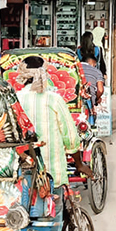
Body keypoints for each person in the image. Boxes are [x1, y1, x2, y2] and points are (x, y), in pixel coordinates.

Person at [14, 55, 81, 196]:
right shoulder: (54, 99)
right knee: (55, 207)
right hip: (52, 173)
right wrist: (78, 162)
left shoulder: (14, 100)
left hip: (22, 175)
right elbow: (70, 136)